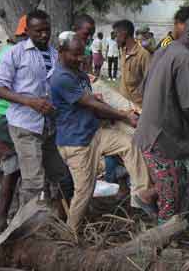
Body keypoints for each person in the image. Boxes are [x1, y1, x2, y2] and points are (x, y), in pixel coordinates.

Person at [50, 32, 157, 231]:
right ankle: (69, 233)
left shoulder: (79, 73)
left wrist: (113, 111)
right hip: (76, 143)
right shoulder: (61, 77)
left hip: (94, 133)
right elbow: (91, 103)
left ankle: (140, 197)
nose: (80, 58)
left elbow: (92, 103)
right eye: (75, 54)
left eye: (82, 54)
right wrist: (124, 116)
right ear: (61, 53)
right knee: (84, 191)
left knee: (130, 144)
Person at [132, 13, 189, 225]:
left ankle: (153, 198)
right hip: (162, 139)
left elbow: (145, 90)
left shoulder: (164, 50)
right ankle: (164, 242)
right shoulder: (184, 57)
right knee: (170, 199)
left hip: (162, 134)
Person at [0, 10, 74, 214]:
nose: (44, 35)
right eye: (38, 31)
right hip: (24, 125)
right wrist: (29, 101)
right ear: (27, 31)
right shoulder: (14, 53)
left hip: (48, 128)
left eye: (47, 30)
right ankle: (27, 232)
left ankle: (64, 221)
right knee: (33, 181)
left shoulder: (54, 55)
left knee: (63, 177)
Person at [0, 16, 28, 231]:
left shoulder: (11, 52)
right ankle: (4, 219)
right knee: (16, 166)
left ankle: (4, 214)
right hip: (3, 116)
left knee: (15, 166)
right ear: (23, 35)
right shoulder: (13, 55)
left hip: (2, 114)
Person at [114, 19, 151, 108]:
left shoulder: (143, 54)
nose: (116, 39)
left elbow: (150, 83)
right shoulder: (123, 51)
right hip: (123, 105)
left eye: (116, 34)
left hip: (137, 107)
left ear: (124, 33)